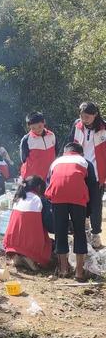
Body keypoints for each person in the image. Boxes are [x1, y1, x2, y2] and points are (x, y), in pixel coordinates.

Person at [45, 143, 96, 281]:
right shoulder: (85, 162)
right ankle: (79, 273)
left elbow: (48, 183)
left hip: (57, 197)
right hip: (78, 198)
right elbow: (92, 186)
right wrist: (89, 209)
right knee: (79, 232)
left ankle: (63, 270)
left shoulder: (55, 162)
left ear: (65, 152)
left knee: (60, 231)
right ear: (81, 153)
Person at [68, 102, 106, 249]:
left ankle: (96, 234)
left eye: (87, 116)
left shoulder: (103, 128)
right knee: (80, 203)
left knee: (96, 205)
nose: (84, 119)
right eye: (82, 116)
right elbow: (70, 144)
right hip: (79, 171)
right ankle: (83, 231)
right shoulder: (77, 125)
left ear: (95, 114)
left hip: (97, 173)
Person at [3, 175, 53, 272]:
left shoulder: (18, 198)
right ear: (39, 187)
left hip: (12, 242)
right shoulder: (40, 200)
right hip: (31, 244)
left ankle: (18, 255)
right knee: (52, 246)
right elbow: (50, 226)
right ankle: (30, 257)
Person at [20, 111, 58, 182]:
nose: (37, 130)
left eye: (40, 126)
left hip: (49, 176)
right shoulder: (26, 140)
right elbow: (23, 159)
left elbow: (56, 152)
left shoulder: (52, 135)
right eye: (33, 128)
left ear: (44, 122)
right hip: (32, 179)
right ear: (29, 126)